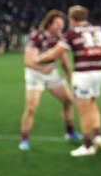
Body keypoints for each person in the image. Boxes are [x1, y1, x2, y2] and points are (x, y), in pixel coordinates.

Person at [38, 5, 101, 157]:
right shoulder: (98, 29)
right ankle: (98, 136)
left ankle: (88, 146)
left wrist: (39, 58)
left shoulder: (72, 33)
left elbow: (55, 54)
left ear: (72, 19)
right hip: (99, 72)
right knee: (94, 104)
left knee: (83, 112)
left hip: (83, 74)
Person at [19, 9, 80, 151]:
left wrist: (69, 74)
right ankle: (24, 139)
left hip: (51, 73)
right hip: (35, 74)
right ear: (50, 23)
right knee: (31, 107)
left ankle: (70, 132)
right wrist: (42, 70)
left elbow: (63, 57)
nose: (61, 26)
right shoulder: (37, 36)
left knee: (68, 101)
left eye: (63, 23)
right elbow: (28, 61)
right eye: (58, 23)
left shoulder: (60, 37)